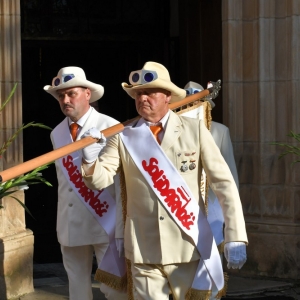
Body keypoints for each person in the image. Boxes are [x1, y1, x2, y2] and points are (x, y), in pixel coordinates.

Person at [80, 61, 248, 300]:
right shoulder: (122, 136)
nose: (143, 98)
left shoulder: (195, 130)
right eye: (138, 93)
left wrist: (236, 234)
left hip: (188, 246)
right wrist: (89, 160)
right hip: (143, 251)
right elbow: (100, 180)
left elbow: (224, 184)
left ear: (168, 96)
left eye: (150, 92)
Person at [43, 66, 127, 300]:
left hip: (104, 221)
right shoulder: (57, 132)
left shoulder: (110, 125)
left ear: (87, 94)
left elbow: (121, 179)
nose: (65, 100)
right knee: (77, 290)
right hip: (70, 224)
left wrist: (121, 226)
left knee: (115, 289)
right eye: (61, 96)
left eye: (72, 94)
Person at [181, 81, 239, 254]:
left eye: (196, 98)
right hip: (180, 199)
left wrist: (231, 211)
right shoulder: (171, 130)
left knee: (212, 258)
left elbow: (230, 174)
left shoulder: (220, 131)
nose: (192, 103)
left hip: (212, 201)